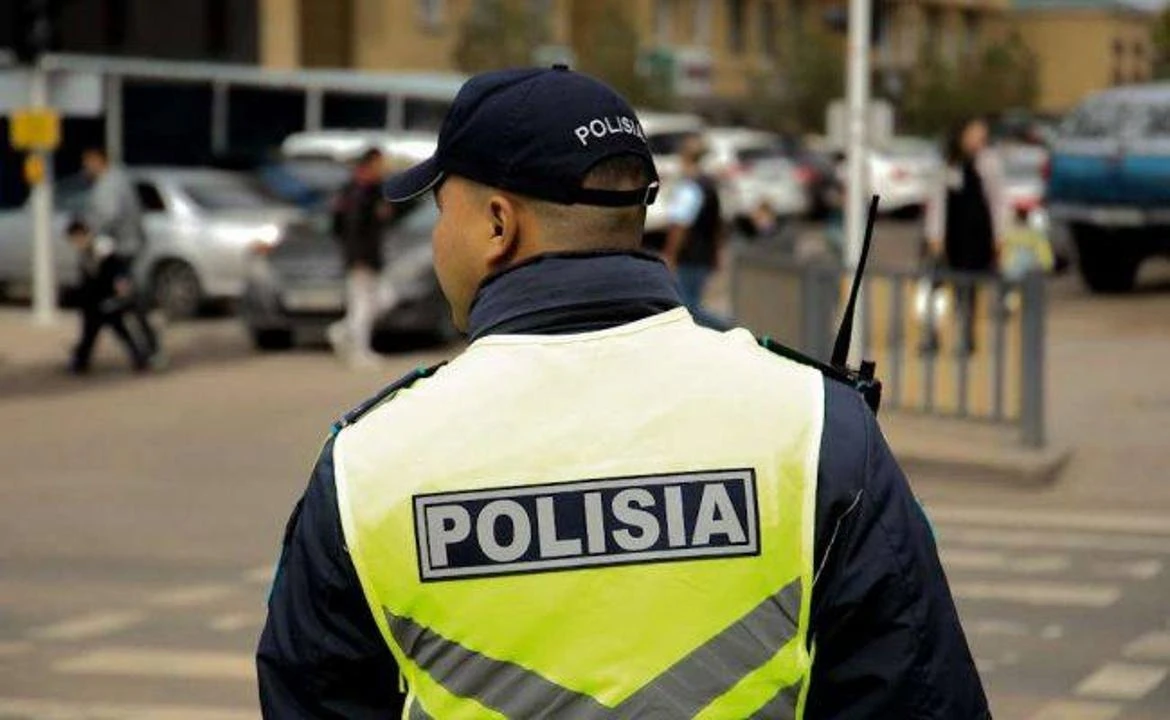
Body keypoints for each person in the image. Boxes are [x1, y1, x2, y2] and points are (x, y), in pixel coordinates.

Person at [257, 66, 988, 719]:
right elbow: (919, 696)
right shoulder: (818, 426)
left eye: (443, 211)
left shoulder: (368, 464)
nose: (437, 237)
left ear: (499, 225)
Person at [923, 117, 1007, 355]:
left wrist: (999, 235)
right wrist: (934, 235)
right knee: (935, 286)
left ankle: (966, 335)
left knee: (968, 289)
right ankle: (932, 334)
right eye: (973, 134)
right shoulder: (948, 162)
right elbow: (937, 201)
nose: (977, 139)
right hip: (949, 233)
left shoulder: (989, 162)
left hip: (976, 236)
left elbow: (998, 201)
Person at [82, 147, 163, 366]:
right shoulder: (119, 180)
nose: (85, 168)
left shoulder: (109, 184)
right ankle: (84, 354)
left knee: (118, 303)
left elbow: (108, 215)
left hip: (120, 252)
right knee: (112, 303)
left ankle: (146, 351)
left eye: (87, 163)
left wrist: (91, 235)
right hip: (126, 249)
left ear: (98, 160)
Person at [327, 147, 397, 368]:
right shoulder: (357, 192)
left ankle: (342, 331)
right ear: (369, 165)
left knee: (383, 300)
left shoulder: (374, 190)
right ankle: (359, 351)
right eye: (380, 163)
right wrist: (357, 257)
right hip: (361, 258)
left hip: (371, 257)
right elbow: (349, 228)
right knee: (362, 305)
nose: (384, 168)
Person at [660, 134, 730, 330]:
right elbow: (717, 224)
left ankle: (729, 328)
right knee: (691, 305)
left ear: (685, 157)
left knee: (689, 309)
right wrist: (717, 252)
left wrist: (670, 255)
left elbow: (681, 225)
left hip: (689, 256)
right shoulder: (709, 185)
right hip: (703, 254)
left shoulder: (689, 187)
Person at [65, 219, 149, 375]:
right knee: (90, 335)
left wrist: (121, 286)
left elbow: (117, 269)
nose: (76, 243)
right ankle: (80, 363)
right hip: (94, 303)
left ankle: (140, 359)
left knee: (119, 331)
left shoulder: (103, 249)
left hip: (107, 300)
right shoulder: (85, 253)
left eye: (77, 238)